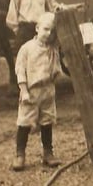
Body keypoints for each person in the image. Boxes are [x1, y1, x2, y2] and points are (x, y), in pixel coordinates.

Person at [11, 11, 63, 171]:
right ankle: (20, 154)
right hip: (31, 91)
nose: (48, 34)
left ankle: (48, 153)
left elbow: (56, 67)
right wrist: (24, 90)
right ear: (37, 28)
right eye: (45, 29)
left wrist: (54, 77)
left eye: (51, 31)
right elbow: (20, 70)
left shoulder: (52, 49)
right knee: (25, 123)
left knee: (47, 122)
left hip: (47, 90)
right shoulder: (27, 49)